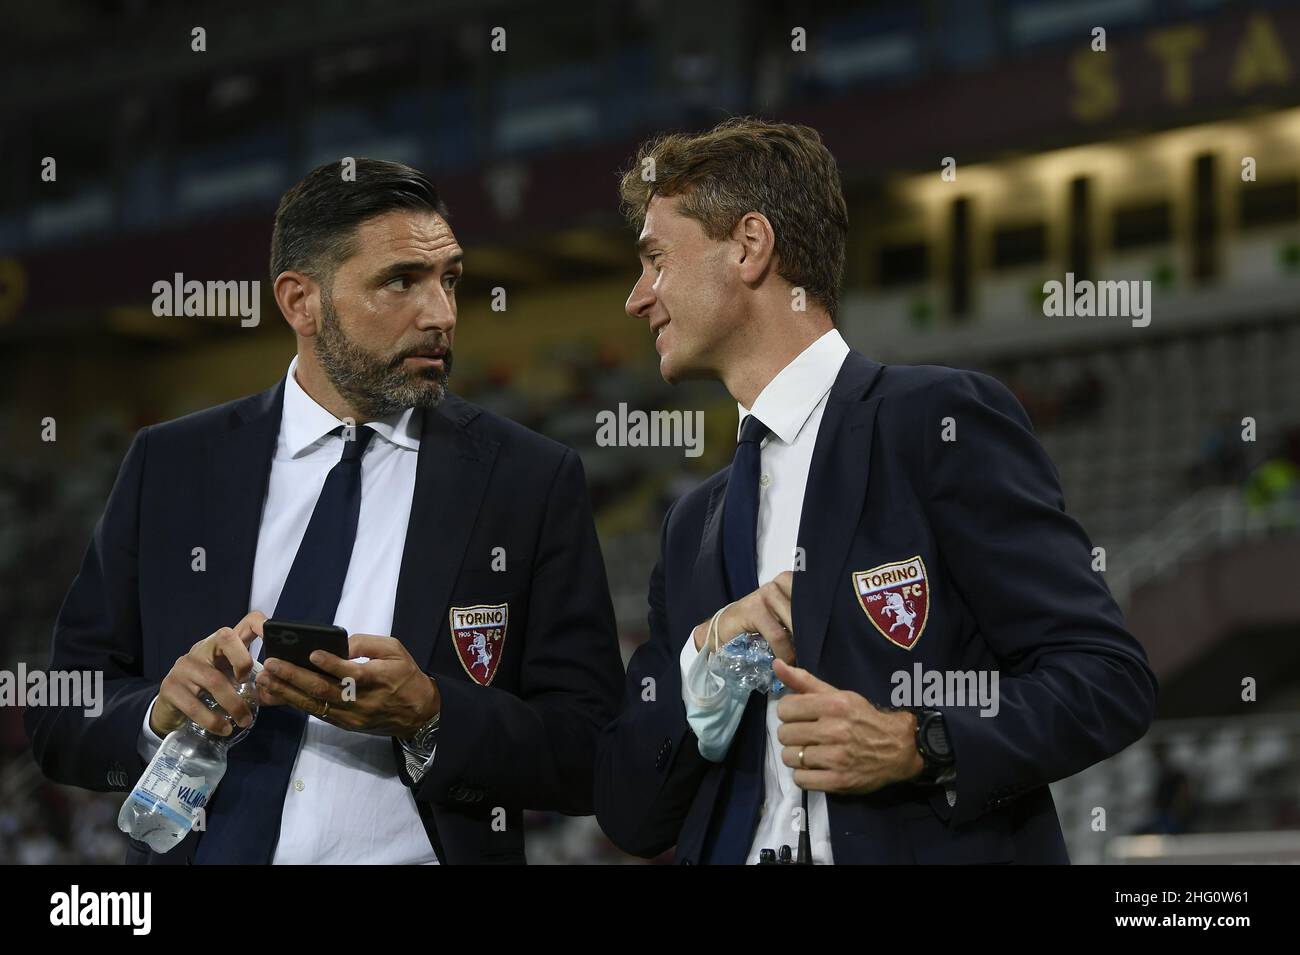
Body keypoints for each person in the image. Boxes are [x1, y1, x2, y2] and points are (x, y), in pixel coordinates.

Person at [25, 159, 624, 864]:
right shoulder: (172, 466)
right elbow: (64, 712)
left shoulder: (528, 479)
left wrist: (431, 715)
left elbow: (592, 748)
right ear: (300, 300)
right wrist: (160, 712)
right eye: (401, 280)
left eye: (449, 279)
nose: (441, 314)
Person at [594, 118, 1158, 864]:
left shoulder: (936, 423)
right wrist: (710, 659)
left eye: (656, 260)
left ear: (749, 246)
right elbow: (631, 813)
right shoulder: (691, 523)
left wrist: (918, 741)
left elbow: (1106, 679)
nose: (639, 298)